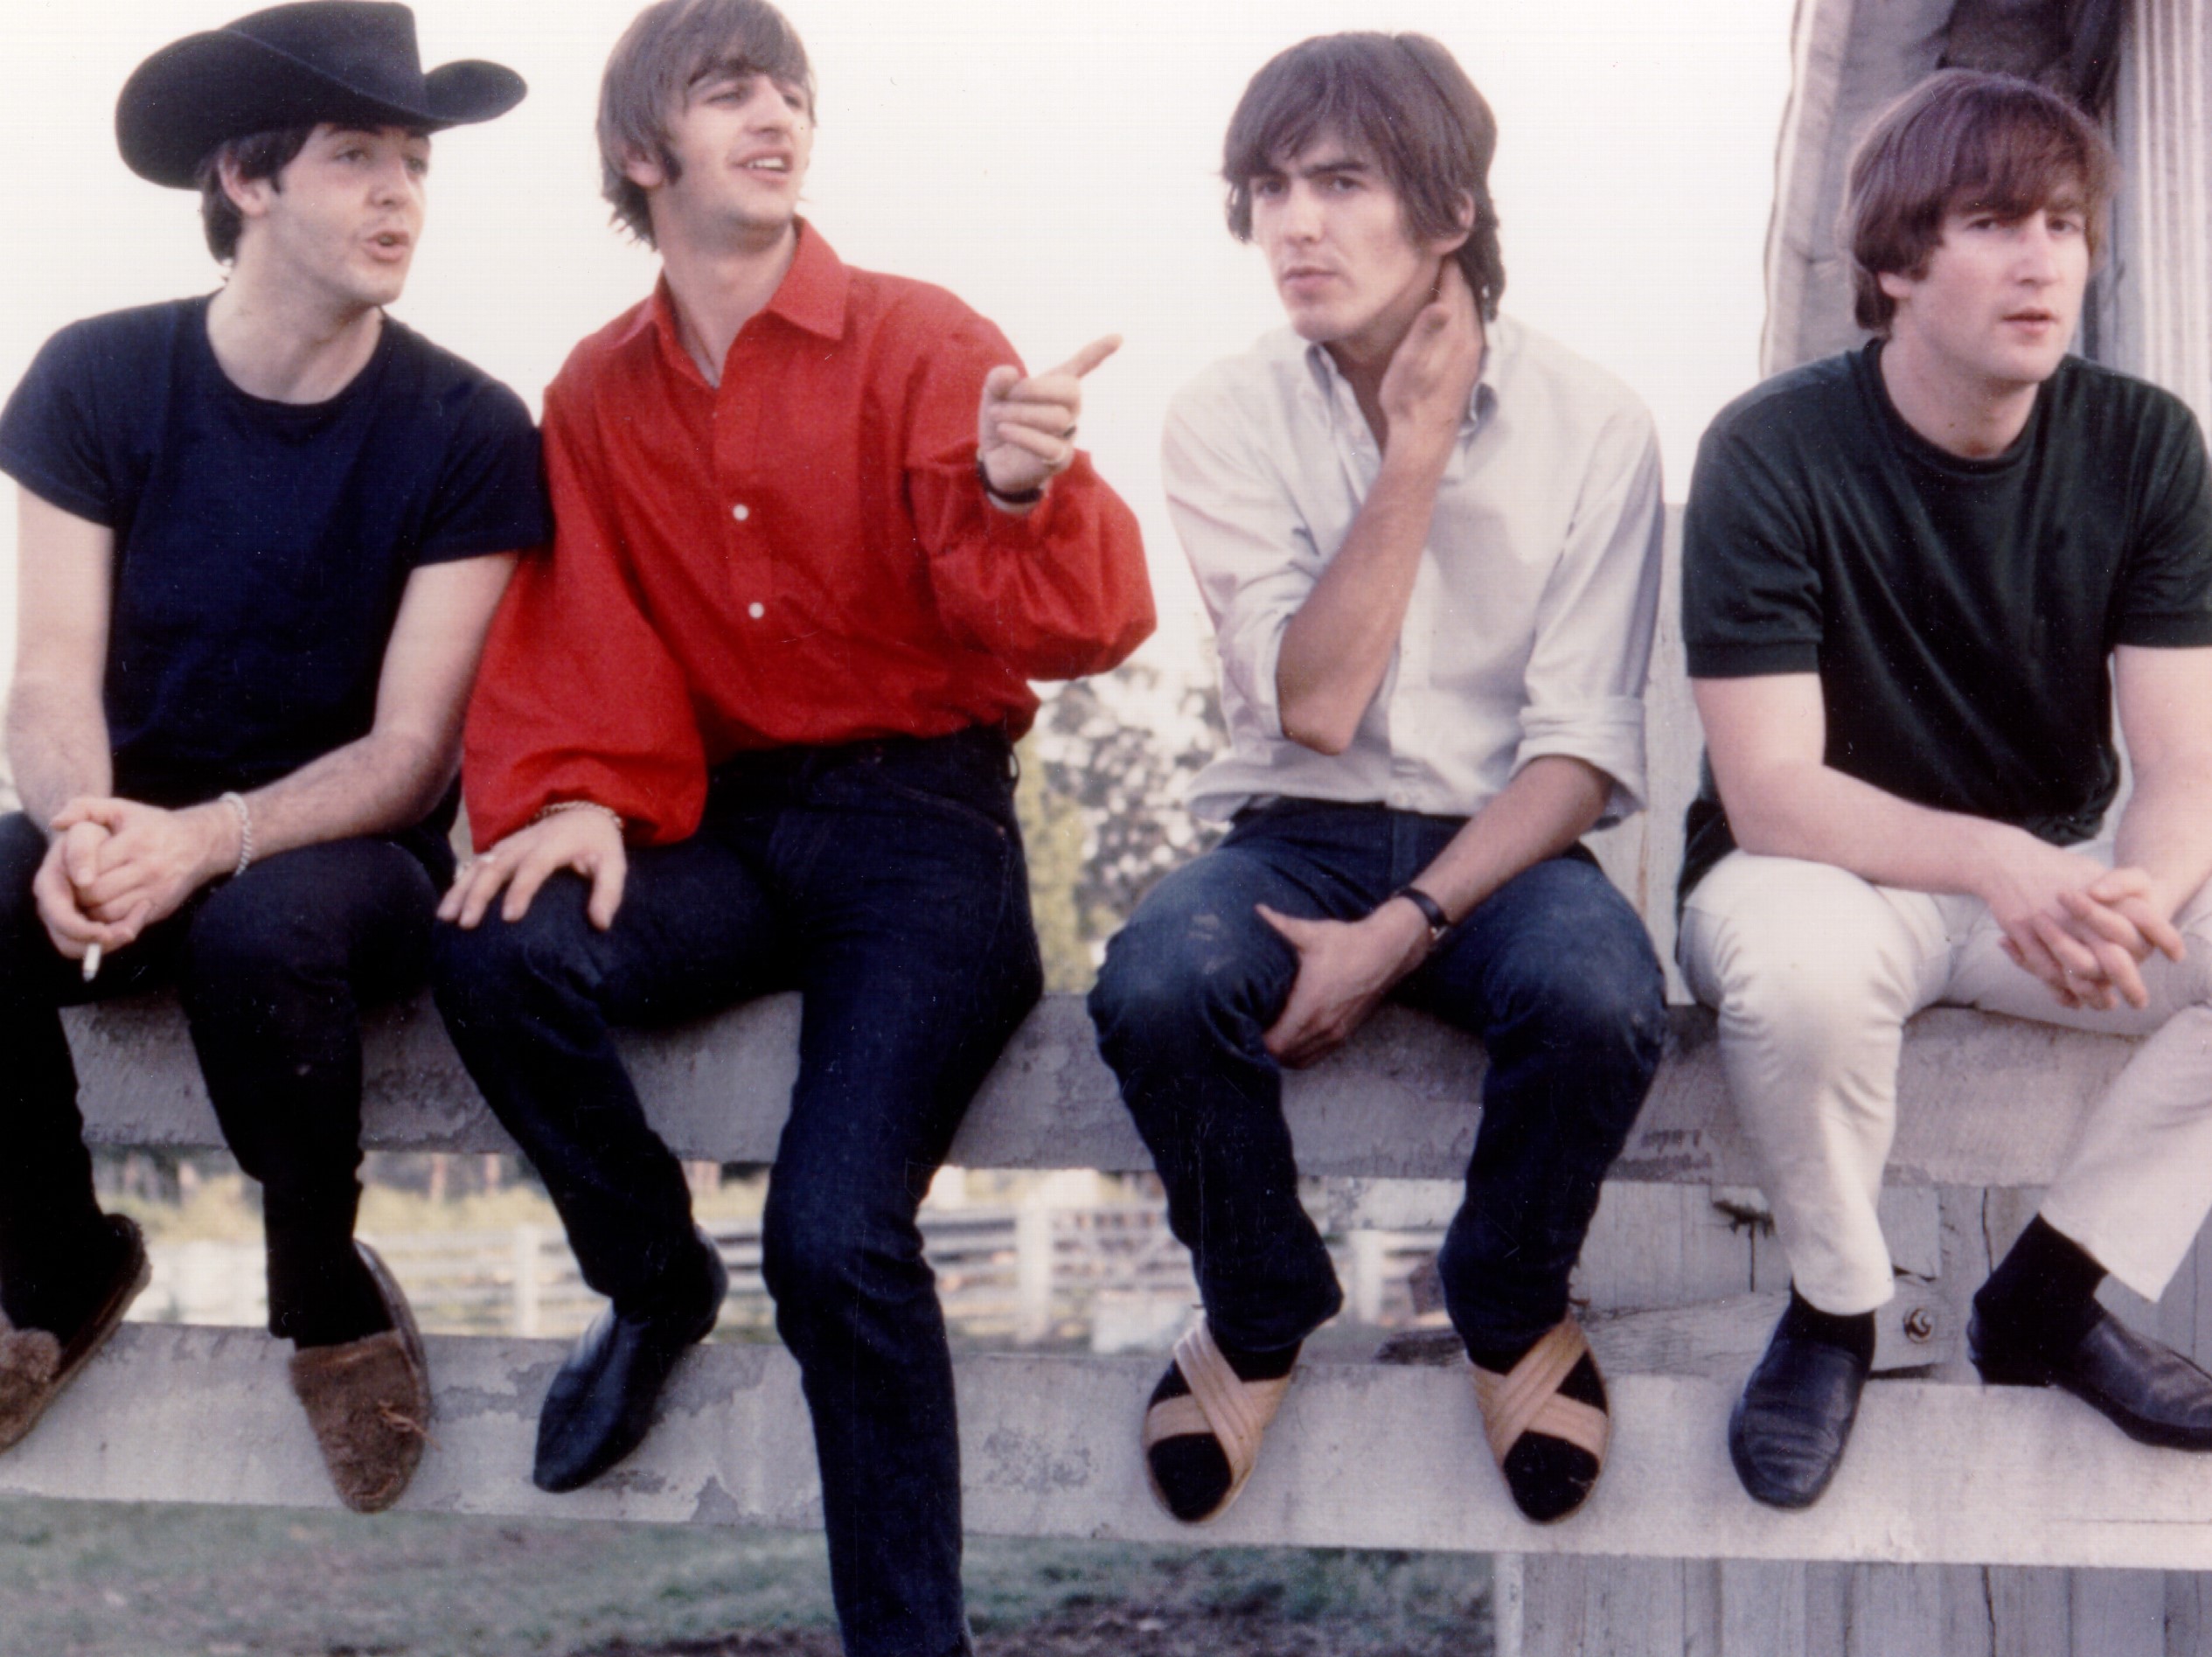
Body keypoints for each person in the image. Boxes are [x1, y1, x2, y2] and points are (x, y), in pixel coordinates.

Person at [428, 1, 1151, 1649]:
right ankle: (653, 1285)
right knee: (491, 942)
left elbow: (1090, 625)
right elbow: (586, 627)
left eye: (791, 90)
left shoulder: (920, 339)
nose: (776, 113)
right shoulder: (595, 394)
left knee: (832, 1235)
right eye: (727, 89)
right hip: (724, 826)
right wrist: (583, 801)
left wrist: (1022, 489)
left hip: (923, 828)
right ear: (640, 153)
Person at [1087, 31, 1668, 1528]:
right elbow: (1321, 704)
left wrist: (1405, 925)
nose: (1292, 224)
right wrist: (1410, 456)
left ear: (1450, 212)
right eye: (1268, 187)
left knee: (1602, 999)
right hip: (1293, 832)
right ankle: (1261, 1297)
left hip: (1504, 847)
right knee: (1156, 982)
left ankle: (1503, 1292)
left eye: (1340, 182)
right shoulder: (1227, 413)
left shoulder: (1591, 420)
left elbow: (1579, 753)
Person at [0, 2, 542, 1514]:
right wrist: (80, 826)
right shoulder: (96, 380)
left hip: (339, 861)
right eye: (356, 155)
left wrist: (205, 839)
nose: (399, 197)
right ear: (247, 181)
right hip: (130, 815)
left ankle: (323, 1292)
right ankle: (56, 1263)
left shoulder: (468, 428)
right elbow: (45, 673)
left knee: (260, 927)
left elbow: (413, 750)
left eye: (416, 162)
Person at [1680, 69, 2212, 1511]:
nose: (2042, 257)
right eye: (1989, 222)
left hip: (2039, 879)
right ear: (1897, 263)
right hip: (1822, 874)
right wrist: (1994, 863)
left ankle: (2048, 1295)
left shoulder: (2145, 442)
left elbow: (2179, 762)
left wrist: (2133, 898)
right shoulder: (1770, 448)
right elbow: (1773, 789)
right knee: (1790, 974)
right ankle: (1839, 1308)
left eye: (2062, 222)